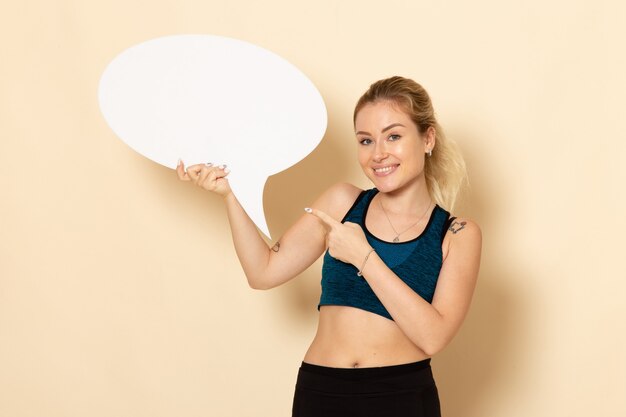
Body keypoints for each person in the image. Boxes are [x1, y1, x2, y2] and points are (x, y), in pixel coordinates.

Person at [176, 76, 482, 417]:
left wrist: (363, 256)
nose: (378, 154)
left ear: (427, 138)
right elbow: (262, 272)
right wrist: (230, 195)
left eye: (393, 136)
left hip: (401, 395)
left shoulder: (457, 233)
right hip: (321, 392)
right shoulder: (342, 202)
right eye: (366, 140)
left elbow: (433, 337)